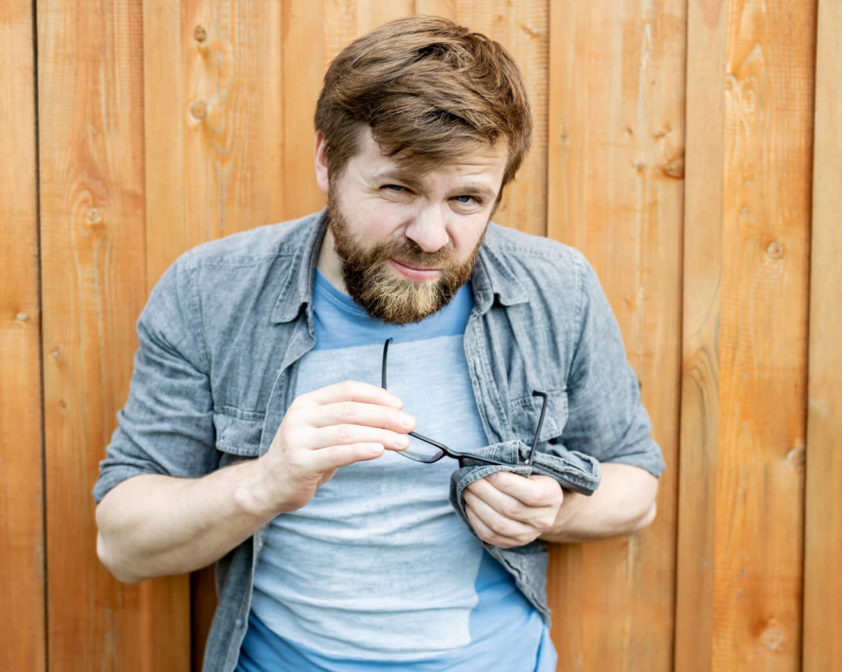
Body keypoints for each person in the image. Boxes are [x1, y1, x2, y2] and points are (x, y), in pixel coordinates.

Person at [94, 16, 664, 672]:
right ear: (326, 160)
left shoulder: (557, 287)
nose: (430, 234)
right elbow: (123, 544)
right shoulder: (209, 291)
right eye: (397, 188)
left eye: (467, 200)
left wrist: (554, 512)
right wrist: (266, 483)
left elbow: (634, 486)